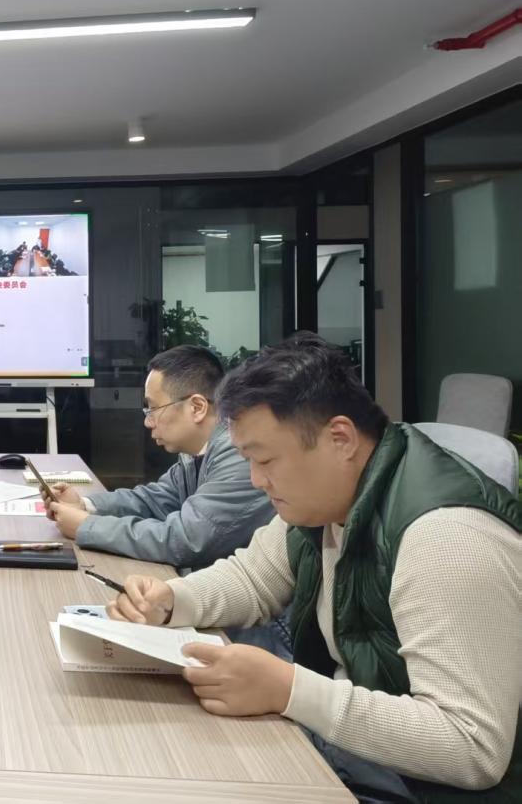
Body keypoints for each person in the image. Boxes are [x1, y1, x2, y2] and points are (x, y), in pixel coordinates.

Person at [107, 333, 522, 802]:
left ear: (339, 438)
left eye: (265, 460)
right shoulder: (324, 500)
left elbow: (471, 747)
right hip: (354, 751)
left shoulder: (447, 538)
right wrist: (171, 600)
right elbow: (253, 577)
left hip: (414, 786)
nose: (256, 480)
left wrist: (290, 690)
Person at [48, 345, 272, 569]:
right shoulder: (196, 454)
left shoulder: (239, 455)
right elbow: (154, 500)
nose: (148, 422)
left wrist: (86, 526)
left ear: (197, 407)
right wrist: (84, 505)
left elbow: (185, 540)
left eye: (154, 408)